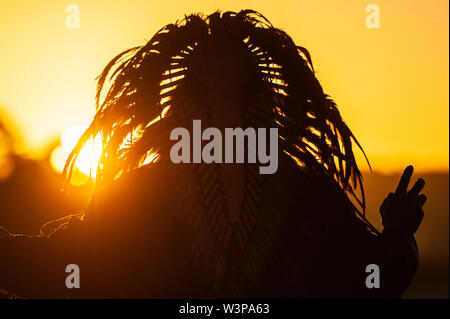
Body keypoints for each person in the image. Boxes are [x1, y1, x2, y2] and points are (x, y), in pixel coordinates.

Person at [0, 10, 426, 298]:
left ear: (262, 99)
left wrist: (398, 236)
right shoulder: (142, 195)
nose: (224, 116)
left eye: (236, 94)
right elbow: (64, 263)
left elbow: (365, 275)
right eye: (211, 95)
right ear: (187, 101)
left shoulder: (303, 192)